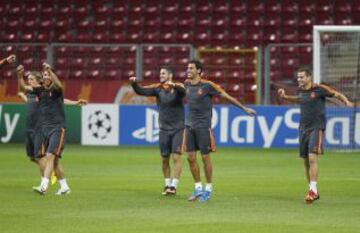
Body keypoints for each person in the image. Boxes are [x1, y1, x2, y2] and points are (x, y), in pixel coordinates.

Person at [278, 66, 353, 204]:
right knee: (306, 162)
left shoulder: (319, 89)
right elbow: (299, 99)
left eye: (301, 77)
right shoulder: (300, 90)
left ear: (309, 77)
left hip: (316, 127)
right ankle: (313, 190)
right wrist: (285, 97)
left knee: (312, 157)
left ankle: (312, 190)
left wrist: (346, 101)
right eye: (298, 77)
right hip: (303, 128)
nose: (299, 79)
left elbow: (336, 94)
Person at [184, 60, 256, 202]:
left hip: (203, 126)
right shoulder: (186, 84)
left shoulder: (208, 86)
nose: (188, 70)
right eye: (187, 68)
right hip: (189, 126)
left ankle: (208, 189)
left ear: (198, 71)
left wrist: (244, 108)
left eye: (191, 68)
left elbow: (227, 96)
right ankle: (198, 188)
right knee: (190, 158)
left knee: (205, 158)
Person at [17, 63, 78, 195]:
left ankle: (43, 186)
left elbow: (59, 85)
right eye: (44, 75)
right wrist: (19, 76)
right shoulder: (40, 90)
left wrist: (50, 70)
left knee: (49, 156)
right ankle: (65, 187)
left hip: (57, 128)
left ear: (52, 76)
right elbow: (24, 87)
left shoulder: (56, 90)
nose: (45, 77)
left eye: (47, 75)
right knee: (54, 161)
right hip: (45, 128)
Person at [129, 66, 185, 195]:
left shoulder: (178, 87)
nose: (161, 75)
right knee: (165, 159)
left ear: (170, 75)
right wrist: (134, 83)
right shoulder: (157, 88)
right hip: (163, 129)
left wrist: (174, 86)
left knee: (176, 157)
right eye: (160, 73)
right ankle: (166, 185)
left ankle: (174, 186)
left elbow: (183, 92)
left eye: (163, 73)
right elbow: (141, 91)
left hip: (178, 129)